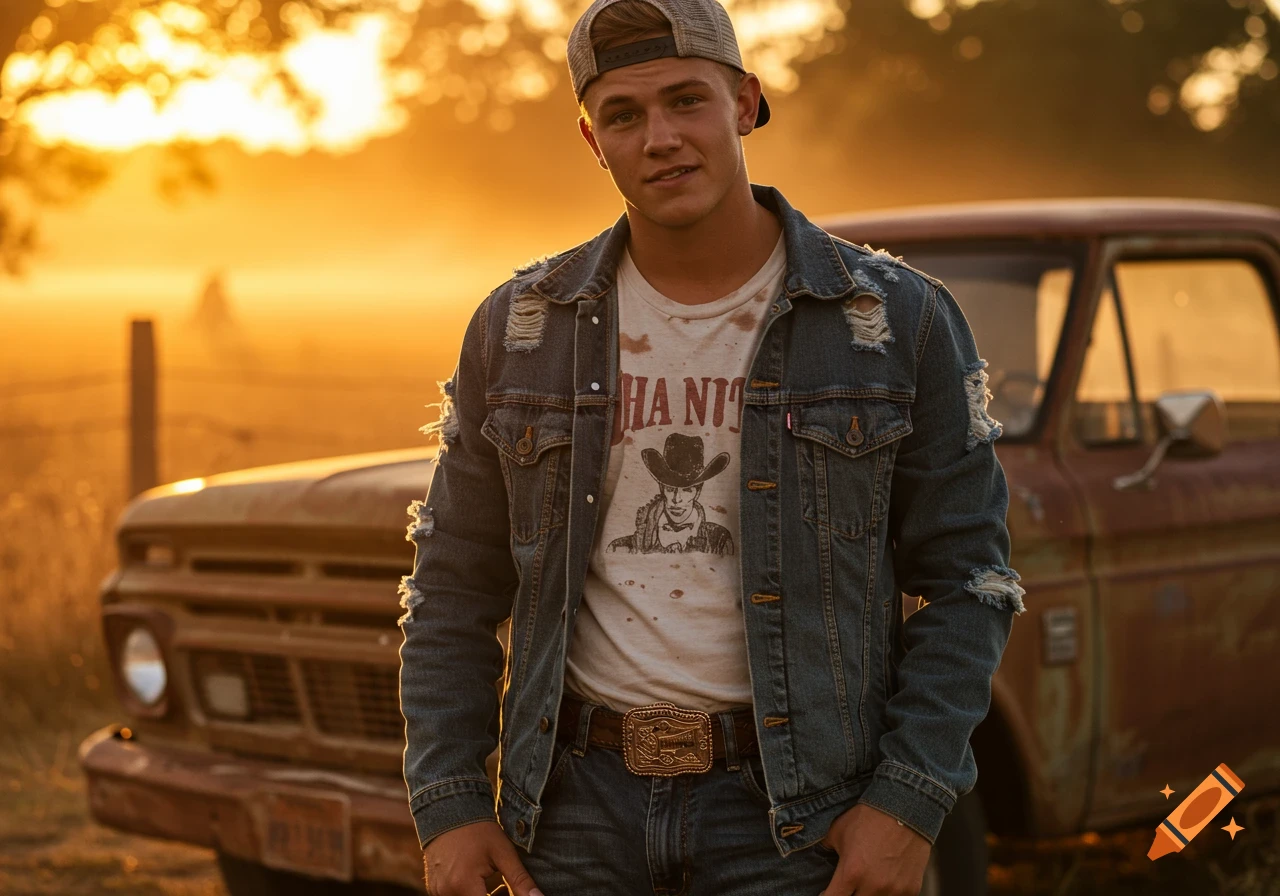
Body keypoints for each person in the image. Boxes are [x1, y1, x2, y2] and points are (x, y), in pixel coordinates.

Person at [397, 0, 1026, 894]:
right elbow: (452, 587)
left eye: (686, 100)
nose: (660, 138)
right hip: (574, 811)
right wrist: (451, 801)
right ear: (593, 140)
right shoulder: (523, 328)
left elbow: (970, 580)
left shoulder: (892, 320)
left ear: (746, 103)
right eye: (624, 115)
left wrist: (907, 802)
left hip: (802, 818)